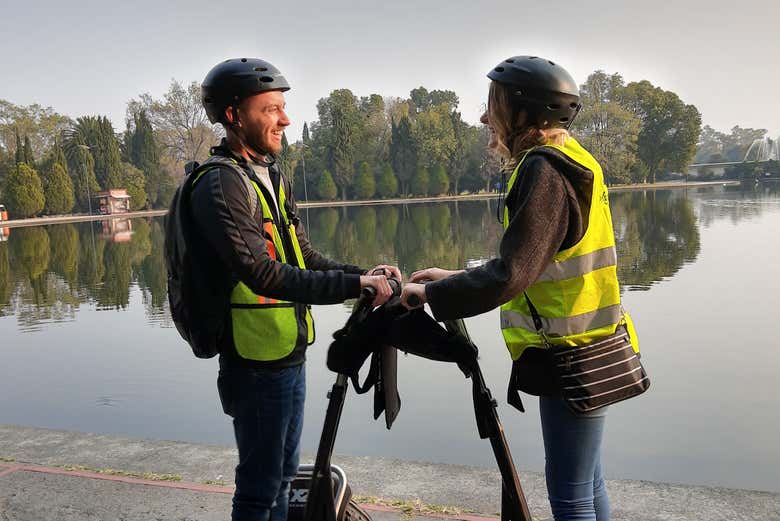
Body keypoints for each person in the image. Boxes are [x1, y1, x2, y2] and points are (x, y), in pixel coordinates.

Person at [400, 56, 640, 521]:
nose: (484, 118)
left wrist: (430, 296)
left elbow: (512, 274)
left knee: (570, 494)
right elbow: (536, 263)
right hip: (593, 342)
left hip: (571, 355)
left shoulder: (543, 171)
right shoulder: (574, 158)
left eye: (495, 107)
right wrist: (454, 278)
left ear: (525, 113)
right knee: (587, 484)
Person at [190, 57, 400, 521]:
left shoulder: (269, 175)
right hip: (253, 361)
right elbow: (261, 273)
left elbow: (302, 256)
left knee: (284, 477)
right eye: (271, 109)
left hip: (287, 349)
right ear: (233, 115)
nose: (285, 119)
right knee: (260, 488)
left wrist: (364, 276)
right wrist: (353, 283)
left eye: (283, 107)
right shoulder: (220, 184)